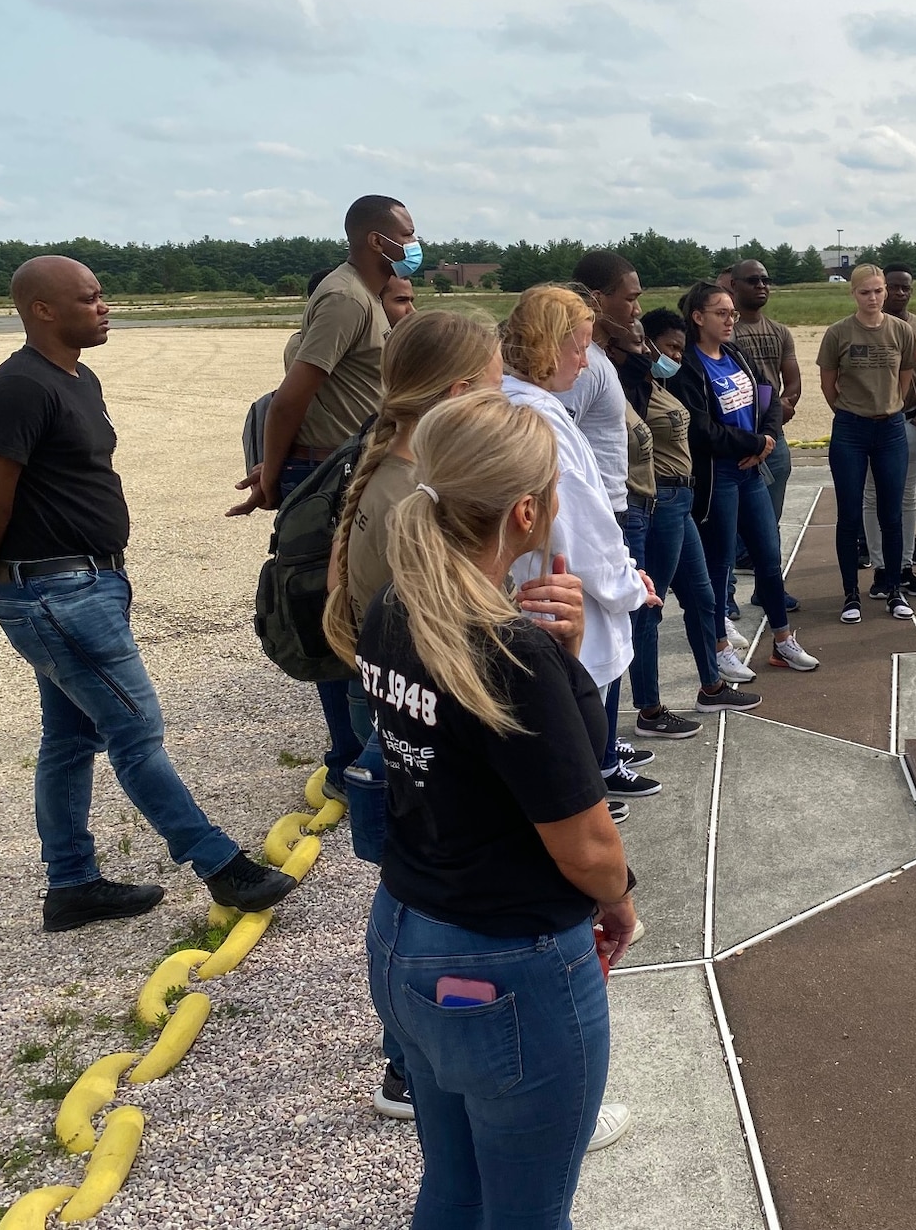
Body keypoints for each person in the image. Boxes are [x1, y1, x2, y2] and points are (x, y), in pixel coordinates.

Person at [357, 390, 638, 1228]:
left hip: (406, 932)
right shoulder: (506, 651)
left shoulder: (397, 609)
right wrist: (619, 899)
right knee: (529, 1212)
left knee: (453, 1188)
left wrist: (561, 661)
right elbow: (587, 843)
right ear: (526, 512)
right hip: (509, 964)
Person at [0, 256, 296, 931]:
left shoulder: (77, 379)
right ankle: (221, 866)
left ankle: (72, 885)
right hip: (56, 591)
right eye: (90, 298)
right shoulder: (20, 387)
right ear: (44, 311)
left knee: (69, 736)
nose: (104, 306)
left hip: (87, 583)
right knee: (135, 732)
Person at [322, 310, 583, 1121]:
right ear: (461, 392)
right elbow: (462, 651)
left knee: (414, 879)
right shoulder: (422, 493)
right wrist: (540, 662)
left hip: (405, 709)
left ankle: (419, 1053)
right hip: (442, 749)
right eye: (497, 367)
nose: (508, 377)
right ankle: (416, 1058)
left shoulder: (407, 479)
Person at [231, 193, 420, 793]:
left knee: (363, 615)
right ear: (374, 239)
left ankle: (364, 752)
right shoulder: (344, 298)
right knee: (340, 617)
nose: (415, 244)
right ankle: (352, 761)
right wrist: (273, 476)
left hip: (355, 470)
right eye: (406, 234)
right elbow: (293, 395)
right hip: (330, 476)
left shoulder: (368, 298)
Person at [500, 286, 659, 809]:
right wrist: (626, 581)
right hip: (563, 587)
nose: (585, 364)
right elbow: (578, 522)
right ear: (547, 346)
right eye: (578, 348)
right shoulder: (539, 418)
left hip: (547, 579)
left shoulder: (523, 403)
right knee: (570, 712)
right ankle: (580, 802)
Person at [670, 284, 821, 673]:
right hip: (720, 476)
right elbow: (700, 430)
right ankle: (721, 648)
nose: (730, 320)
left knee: (769, 558)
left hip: (752, 471)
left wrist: (767, 439)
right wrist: (753, 441)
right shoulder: (689, 366)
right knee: (719, 563)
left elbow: (766, 397)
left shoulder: (736, 353)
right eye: (721, 313)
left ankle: (783, 641)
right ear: (698, 317)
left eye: (732, 313)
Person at [567, 254, 672, 768]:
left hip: (619, 505)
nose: (637, 308)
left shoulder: (603, 361)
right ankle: (601, 761)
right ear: (594, 301)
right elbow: (563, 443)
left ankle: (605, 746)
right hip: (605, 512)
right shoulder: (581, 371)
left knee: (615, 634)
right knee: (604, 642)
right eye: (628, 298)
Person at [638, 309, 764, 717]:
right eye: (670, 347)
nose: (676, 356)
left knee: (703, 597)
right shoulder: (633, 390)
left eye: (679, 347)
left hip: (682, 500)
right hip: (660, 502)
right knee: (650, 607)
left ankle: (711, 686)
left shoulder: (660, 384)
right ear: (648, 344)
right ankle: (650, 709)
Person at [817, 263, 916, 623]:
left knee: (891, 512)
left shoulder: (901, 331)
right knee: (848, 514)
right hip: (850, 428)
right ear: (854, 294)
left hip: (891, 428)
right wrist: (853, 410)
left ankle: (894, 588)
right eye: (866, 292)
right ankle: (851, 594)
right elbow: (828, 384)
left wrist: (889, 405)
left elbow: (907, 374)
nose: (874, 298)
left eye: (879, 291)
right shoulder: (838, 333)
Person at [726, 259, 802, 614]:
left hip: (773, 438)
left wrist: (783, 409)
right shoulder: (727, 332)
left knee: (769, 521)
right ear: (733, 285)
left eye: (766, 280)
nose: (762, 286)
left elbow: (792, 380)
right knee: (725, 523)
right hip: (735, 440)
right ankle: (725, 597)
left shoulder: (780, 331)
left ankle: (768, 589)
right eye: (753, 280)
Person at [862, 264, 916, 597]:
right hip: (869, 424)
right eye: (892, 287)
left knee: (906, 497)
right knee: (871, 496)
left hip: (907, 422)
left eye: (906, 288)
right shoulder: (862, 328)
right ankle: (881, 568)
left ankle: (905, 566)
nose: (899, 294)